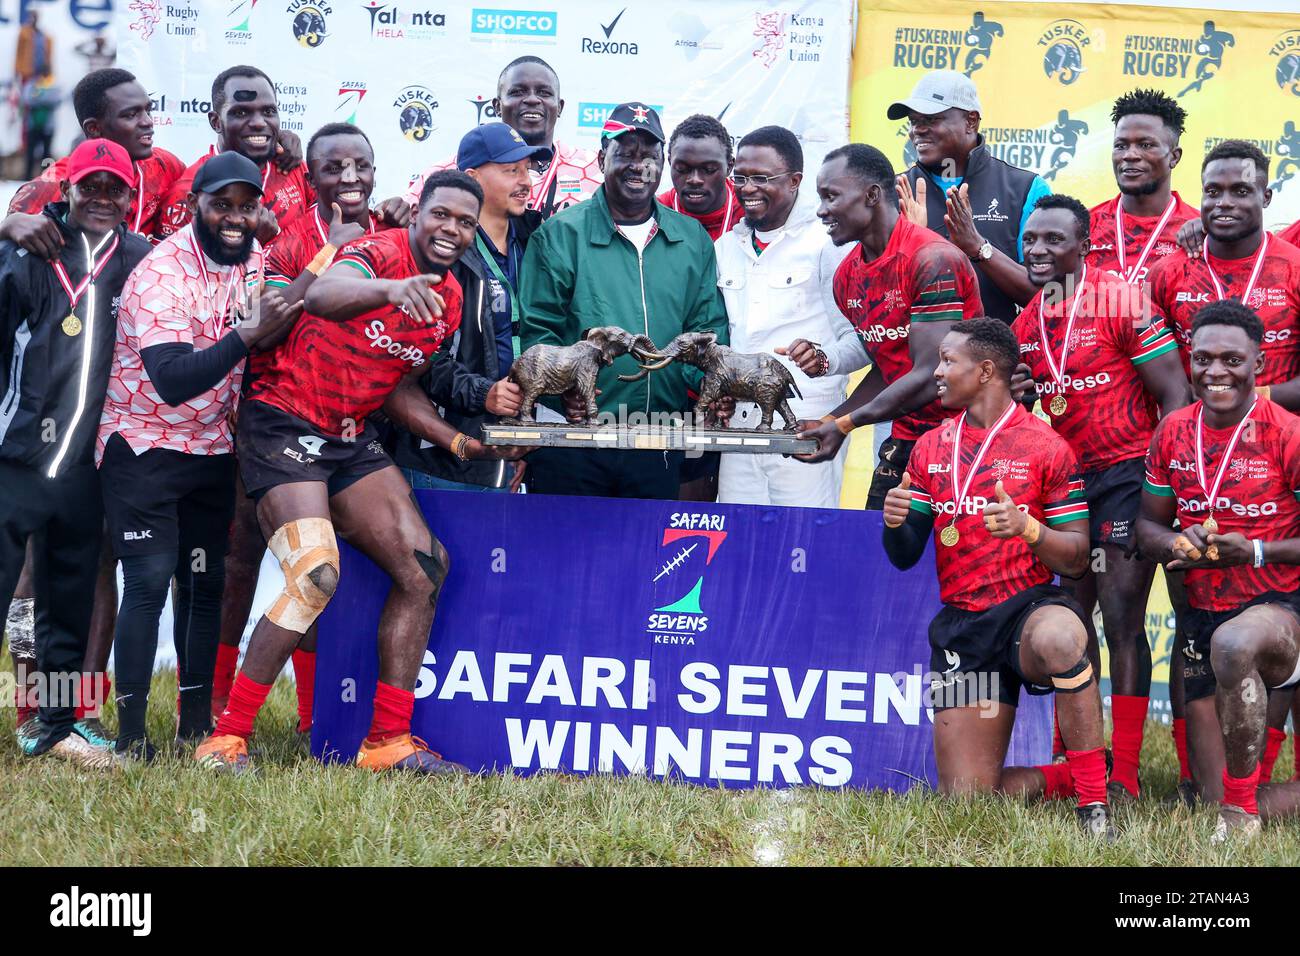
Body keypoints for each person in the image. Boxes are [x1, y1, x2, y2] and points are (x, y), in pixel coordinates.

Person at [194, 170, 484, 774]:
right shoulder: (376, 253)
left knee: (425, 567)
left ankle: (387, 744)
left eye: (465, 222)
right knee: (315, 574)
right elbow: (322, 296)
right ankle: (225, 740)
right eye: (441, 215)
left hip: (350, 436)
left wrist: (453, 439)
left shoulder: (451, 300)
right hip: (283, 421)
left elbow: (397, 389)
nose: (451, 229)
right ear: (418, 214)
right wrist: (391, 289)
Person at [98, 152, 298, 760]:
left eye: (247, 205)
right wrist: (248, 335)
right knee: (149, 584)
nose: (235, 218)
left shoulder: (254, 259)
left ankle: (192, 728)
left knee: (205, 585)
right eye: (222, 205)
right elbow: (173, 379)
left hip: (212, 448)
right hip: (144, 445)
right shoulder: (162, 273)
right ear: (194, 207)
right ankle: (132, 738)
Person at [881, 318, 1114, 838]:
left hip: (1029, 613)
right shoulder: (930, 448)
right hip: (965, 627)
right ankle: (1066, 780)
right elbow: (903, 556)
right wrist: (896, 521)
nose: (936, 372)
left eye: (948, 361)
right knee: (969, 804)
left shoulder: (1047, 446)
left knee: (1059, 637)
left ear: (986, 371)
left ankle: (1095, 806)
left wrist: (1029, 528)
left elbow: (1077, 559)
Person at [211, 121, 398, 732]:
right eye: (333, 169)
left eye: (360, 166)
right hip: (276, 418)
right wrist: (330, 251)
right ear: (309, 177)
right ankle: (220, 706)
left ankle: (312, 716)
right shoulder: (289, 242)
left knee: (325, 566)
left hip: (353, 427)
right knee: (245, 560)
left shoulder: (396, 237)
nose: (349, 179)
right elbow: (266, 324)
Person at [1010, 194, 1190, 800]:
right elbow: (1025, 411)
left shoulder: (1122, 300)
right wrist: (1022, 395)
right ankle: (1071, 759)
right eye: (1030, 239)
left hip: (1125, 478)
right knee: (1069, 617)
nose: (1037, 250)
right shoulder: (1026, 322)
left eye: (1053, 240)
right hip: (1062, 487)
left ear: (1084, 246)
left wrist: (1165, 480)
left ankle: (1128, 774)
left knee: (1120, 619)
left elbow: (1174, 394)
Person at [0, 139, 151, 768]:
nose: (101, 199)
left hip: (87, 467)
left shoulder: (140, 259)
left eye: (114, 189)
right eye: (90, 186)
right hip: (16, 460)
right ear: (67, 189)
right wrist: (7, 225)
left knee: (66, 600)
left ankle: (54, 724)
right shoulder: (29, 250)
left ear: (129, 198)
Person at [1137, 301, 1300, 841]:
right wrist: (1176, 541)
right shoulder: (1173, 432)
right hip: (1204, 613)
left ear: (1259, 361)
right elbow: (1145, 528)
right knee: (1212, 794)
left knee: (1234, 644)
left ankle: (1240, 817)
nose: (1215, 373)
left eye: (1232, 359)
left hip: (1282, 610)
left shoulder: (1288, 432)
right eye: (1203, 359)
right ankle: (1238, 803)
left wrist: (1253, 551)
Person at [518, 103, 729, 500]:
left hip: (659, 439)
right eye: (626, 153)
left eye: (650, 155)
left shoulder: (692, 239)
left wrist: (710, 389)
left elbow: (706, 333)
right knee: (568, 557)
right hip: (574, 440)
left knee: (648, 559)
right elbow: (537, 333)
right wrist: (560, 394)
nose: (639, 166)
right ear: (601, 159)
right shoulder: (561, 234)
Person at [794, 144, 982, 510]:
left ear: (872, 195)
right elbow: (890, 365)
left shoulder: (932, 259)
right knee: (879, 557)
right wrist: (831, 420)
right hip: (906, 436)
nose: (821, 210)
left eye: (831, 196)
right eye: (819, 198)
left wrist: (846, 423)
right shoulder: (846, 276)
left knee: (957, 562)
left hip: (969, 438)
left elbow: (931, 374)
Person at [389, 123, 540, 495]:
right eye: (511, 171)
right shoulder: (442, 251)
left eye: (528, 169)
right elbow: (416, 357)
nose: (526, 181)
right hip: (441, 458)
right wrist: (482, 393)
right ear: (472, 177)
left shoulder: (537, 241)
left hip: (509, 452)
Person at [711, 125, 855, 508]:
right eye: (740, 177)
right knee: (738, 542)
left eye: (761, 178)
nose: (747, 188)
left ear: (795, 181)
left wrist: (836, 417)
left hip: (807, 423)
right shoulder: (726, 246)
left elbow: (858, 339)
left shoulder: (828, 244)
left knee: (801, 545)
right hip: (739, 426)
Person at [158, 66, 399, 245]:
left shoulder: (293, 166)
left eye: (268, 111)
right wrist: (252, 243)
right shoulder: (192, 191)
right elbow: (179, 275)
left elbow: (338, 217)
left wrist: (390, 213)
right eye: (241, 113)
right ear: (215, 121)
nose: (258, 123)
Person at [1147, 141, 1300, 409]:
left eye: (1240, 191)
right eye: (1213, 191)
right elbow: (1149, 370)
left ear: (1265, 197)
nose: (1224, 203)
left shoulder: (1294, 269)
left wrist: (1248, 397)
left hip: (1280, 441)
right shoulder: (1165, 274)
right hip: (1193, 440)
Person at [890, 71, 1050, 321]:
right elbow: (872, 302)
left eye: (931, 119)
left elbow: (1044, 298)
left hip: (995, 358)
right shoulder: (894, 190)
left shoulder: (1026, 188)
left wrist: (977, 247)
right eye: (913, 121)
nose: (917, 130)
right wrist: (911, 250)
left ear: (971, 121)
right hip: (916, 359)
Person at [657, 114, 744, 502]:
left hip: (735, 389)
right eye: (683, 168)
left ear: (729, 168)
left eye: (709, 170)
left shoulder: (751, 214)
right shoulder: (651, 212)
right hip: (668, 385)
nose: (695, 179)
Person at [6, 68, 187, 252]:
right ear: (94, 128)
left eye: (148, 110)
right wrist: (7, 226)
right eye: (131, 115)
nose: (148, 121)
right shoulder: (50, 186)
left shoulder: (165, 166)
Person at [403, 57, 601, 219]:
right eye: (518, 91)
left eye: (544, 92)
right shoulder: (449, 172)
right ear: (497, 106)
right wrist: (392, 212)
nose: (532, 99)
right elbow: (406, 221)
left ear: (560, 107)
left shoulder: (594, 170)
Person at [1087, 90, 1197, 284]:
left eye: (1145, 145)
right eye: (1121, 145)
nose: (1130, 155)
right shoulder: (1085, 226)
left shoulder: (1199, 233)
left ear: (1174, 157)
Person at [21, 68, 61, 181]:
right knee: (30, 151)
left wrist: (39, 97)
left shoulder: (54, 85)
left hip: (48, 126)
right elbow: (27, 99)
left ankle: (45, 177)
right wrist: (45, 98)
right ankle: (27, 177)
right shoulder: (31, 85)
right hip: (33, 125)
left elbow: (55, 100)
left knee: (46, 153)